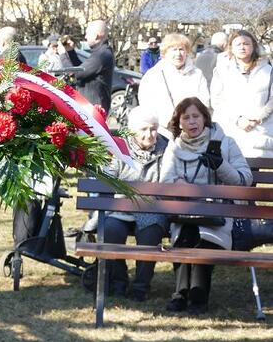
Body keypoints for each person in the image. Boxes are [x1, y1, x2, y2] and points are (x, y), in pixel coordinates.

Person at [160, 97, 252, 315]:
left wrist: (220, 165)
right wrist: (178, 185)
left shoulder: (225, 142)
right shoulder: (173, 148)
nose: (192, 122)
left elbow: (245, 179)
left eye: (196, 116)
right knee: (184, 236)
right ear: (179, 122)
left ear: (205, 119)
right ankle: (180, 295)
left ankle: (198, 298)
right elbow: (164, 183)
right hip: (186, 213)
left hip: (219, 213)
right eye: (186, 118)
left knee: (204, 238)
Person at [101, 107, 168, 301]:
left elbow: (167, 182)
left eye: (153, 129)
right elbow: (107, 179)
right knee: (111, 230)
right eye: (144, 129)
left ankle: (141, 287)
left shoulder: (167, 148)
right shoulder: (119, 148)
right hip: (121, 208)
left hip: (152, 209)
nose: (150, 134)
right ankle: (119, 282)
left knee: (151, 232)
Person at [210, 30, 273, 159]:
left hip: (259, 132)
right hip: (230, 131)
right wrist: (238, 119)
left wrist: (258, 117)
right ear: (231, 48)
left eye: (246, 43)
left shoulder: (268, 70)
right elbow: (217, 100)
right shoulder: (222, 70)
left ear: (253, 46)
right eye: (238, 44)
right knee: (229, 176)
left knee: (253, 174)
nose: (242, 47)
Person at [137, 33, 210, 135]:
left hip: (192, 130)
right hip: (164, 131)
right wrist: (167, 121)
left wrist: (193, 120)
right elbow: (146, 103)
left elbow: (204, 101)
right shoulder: (154, 74)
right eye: (174, 50)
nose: (178, 54)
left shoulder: (197, 74)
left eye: (181, 49)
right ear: (165, 53)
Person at [73, 19, 115, 113]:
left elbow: (78, 73)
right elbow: (82, 68)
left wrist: (63, 54)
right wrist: (70, 52)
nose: (85, 36)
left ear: (96, 36)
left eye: (87, 33)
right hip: (91, 106)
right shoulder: (101, 52)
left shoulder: (102, 55)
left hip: (93, 109)